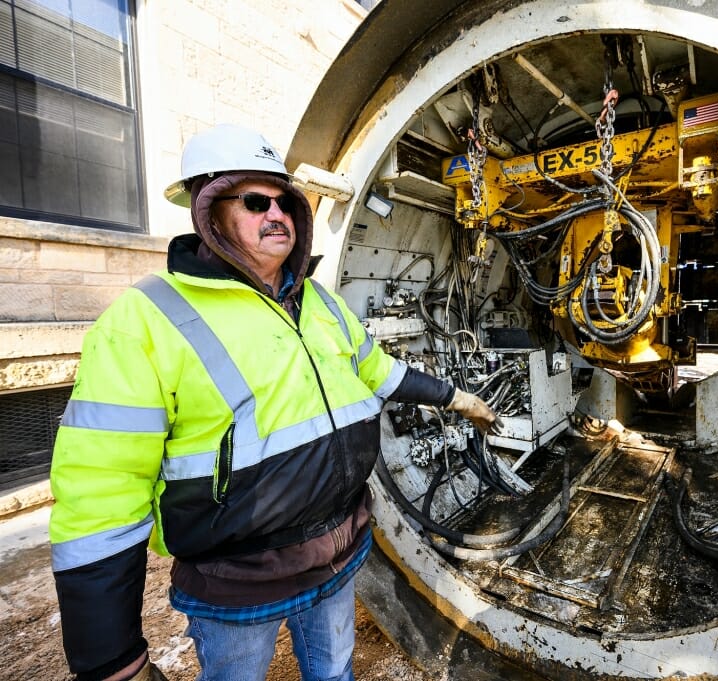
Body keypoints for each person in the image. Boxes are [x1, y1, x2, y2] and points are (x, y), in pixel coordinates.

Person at [49, 124, 499, 681]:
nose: (277, 214)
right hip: (238, 586)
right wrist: (112, 659)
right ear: (208, 211)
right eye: (256, 200)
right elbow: (100, 495)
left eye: (286, 201)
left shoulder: (321, 303)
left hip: (339, 555)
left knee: (333, 674)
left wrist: (459, 399)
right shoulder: (145, 320)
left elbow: (380, 372)